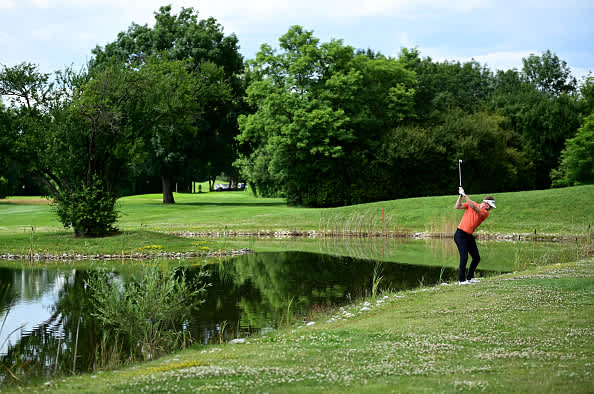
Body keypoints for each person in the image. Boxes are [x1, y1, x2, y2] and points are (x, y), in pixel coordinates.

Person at [454, 187, 496, 284]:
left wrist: (464, 194)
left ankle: (470, 278)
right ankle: (461, 280)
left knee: (476, 257)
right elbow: (457, 206)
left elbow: (474, 207)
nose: (490, 208)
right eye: (489, 205)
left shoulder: (485, 213)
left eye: (490, 207)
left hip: (468, 235)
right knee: (464, 257)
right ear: (485, 203)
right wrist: (460, 196)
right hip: (460, 234)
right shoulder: (472, 205)